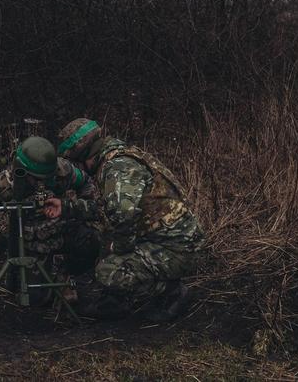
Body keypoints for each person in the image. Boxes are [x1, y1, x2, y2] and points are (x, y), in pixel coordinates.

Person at [45, 118, 205, 322]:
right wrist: (66, 206)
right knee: (108, 251)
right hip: (171, 240)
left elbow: (123, 219)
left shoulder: (118, 166)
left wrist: (112, 253)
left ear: (84, 156)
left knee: (107, 271)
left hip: (178, 248)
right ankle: (117, 298)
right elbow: (106, 210)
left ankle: (171, 293)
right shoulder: (119, 156)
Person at [0, 136, 101, 284]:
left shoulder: (63, 169)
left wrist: (76, 206)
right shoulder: (5, 183)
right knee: (36, 297)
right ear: (22, 170)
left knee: (90, 241)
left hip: (61, 229)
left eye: (47, 178)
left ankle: (65, 276)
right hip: (30, 242)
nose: (42, 184)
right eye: (37, 179)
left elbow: (86, 182)